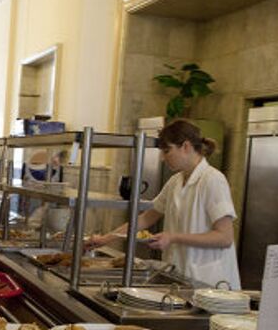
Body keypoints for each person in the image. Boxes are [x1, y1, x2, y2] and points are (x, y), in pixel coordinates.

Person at [87, 119, 240, 289]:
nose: (162, 158)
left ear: (186, 146)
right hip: (179, 278)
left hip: (210, 284)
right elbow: (146, 218)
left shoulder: (213, 180)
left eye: (167, 151)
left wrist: (173, 237)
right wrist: (106, 239)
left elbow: (224, 238)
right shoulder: (175, 181)